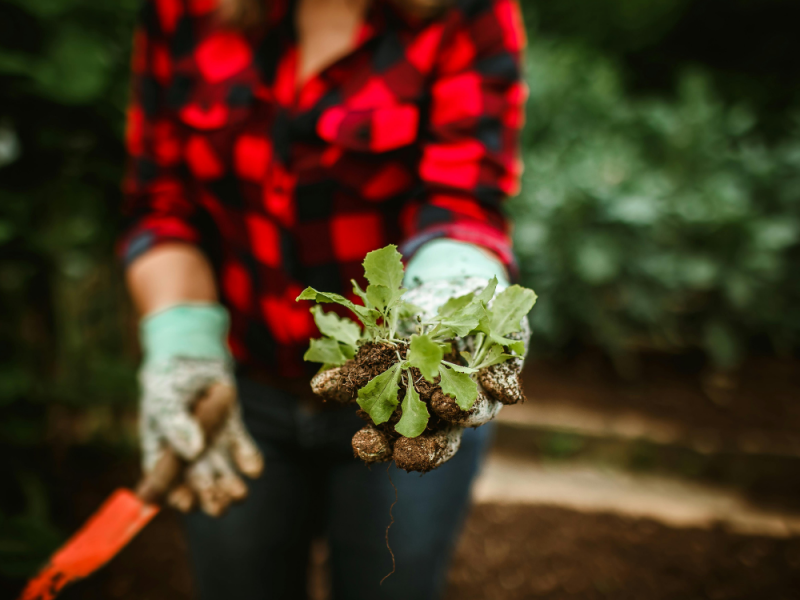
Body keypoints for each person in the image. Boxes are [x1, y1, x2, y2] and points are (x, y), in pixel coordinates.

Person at [121, 0, 526, 597]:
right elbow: (160, 205)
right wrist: (181, 343)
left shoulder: (468, 12)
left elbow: (462, 198)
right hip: (241, 389)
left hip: (403, 398)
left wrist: (453, 294)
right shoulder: (183, 11)